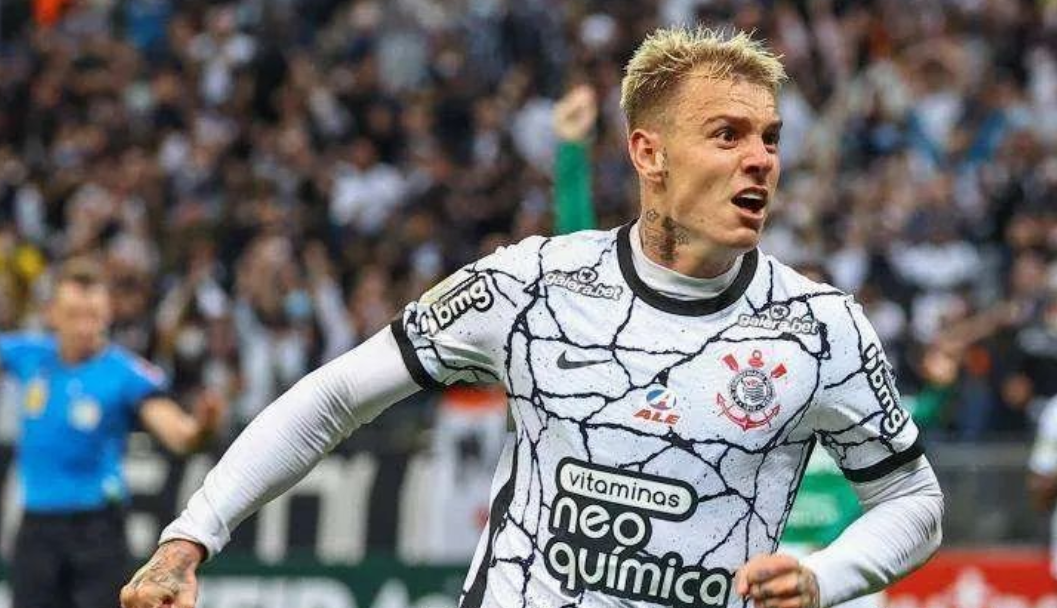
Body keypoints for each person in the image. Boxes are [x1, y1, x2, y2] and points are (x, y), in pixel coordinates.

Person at [121, 27, 943, 608]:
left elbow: (912, 500)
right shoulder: (529, 284)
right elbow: (335, 397)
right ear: (648, 153)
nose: (759, 158)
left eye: (769, 138)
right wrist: (190, 538)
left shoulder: (819, 328)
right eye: (726, 135)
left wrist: (824, 577)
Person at [0, 257, 225, 608]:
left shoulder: (124, 372)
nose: (84, 327)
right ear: (52, 314)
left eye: (93, 316)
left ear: (107, 314)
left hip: (97, 529)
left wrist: (202, 427)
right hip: (36, 528)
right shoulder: (31, 355)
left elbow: (179, 434)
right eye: (74, 315)